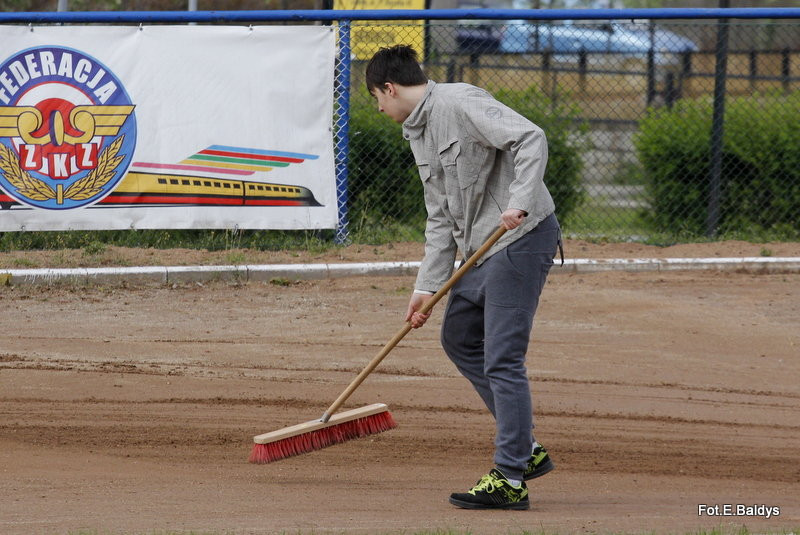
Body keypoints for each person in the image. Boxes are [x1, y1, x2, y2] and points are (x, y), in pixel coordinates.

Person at [365, 44, 562, 511]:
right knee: (457, 336)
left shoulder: (459, 103)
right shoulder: (419, 131)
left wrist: (519, 198)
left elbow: (530, 137)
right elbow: (439, 216)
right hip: (482, 248)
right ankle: (526, 447)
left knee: (503, 357)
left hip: (520, 237)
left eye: (377, 99)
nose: (379, 109)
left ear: (389, 88)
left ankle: (511, 476)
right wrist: (425, 287)